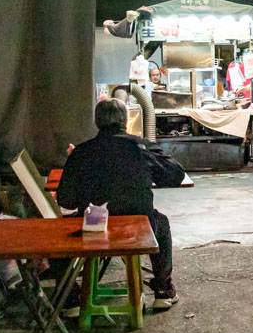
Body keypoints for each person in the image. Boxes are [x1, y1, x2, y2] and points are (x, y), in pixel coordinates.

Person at [57, 98, 186, 311]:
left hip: (93, 229)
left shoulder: (81, 152)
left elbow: (65, 200)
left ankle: (71, 300)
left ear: (97, 122)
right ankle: (163, 290)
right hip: (138, 231)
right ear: (125, 121)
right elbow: (175, 175)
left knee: (59, 230)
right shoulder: (141, 147)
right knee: (161, 223)